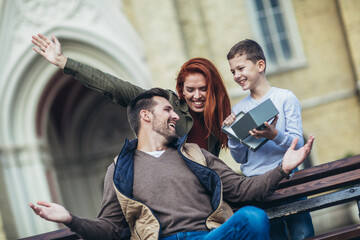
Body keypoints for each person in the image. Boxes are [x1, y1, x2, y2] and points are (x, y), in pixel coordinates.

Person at [29, 88, 315, 240]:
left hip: (209, 237)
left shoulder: (195, 154)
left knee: (253, 217)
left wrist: (283, 168)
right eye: (167, 109)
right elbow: (111, 230)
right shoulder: (120, 169)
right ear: (146, 116)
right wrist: (70, 219)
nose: (176, 116)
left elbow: (243, 191)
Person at [31, 33, 231, 157]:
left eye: (203, 89)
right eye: (190, 90)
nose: (197, 96)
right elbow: (114, 87)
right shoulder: (167, 104)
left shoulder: (218, 118)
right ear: (181, 90)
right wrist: (65, 63)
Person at [223, 39, 314, 240]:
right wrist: (233, 136)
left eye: (240, 68)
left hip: (288, 179)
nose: (236, 76)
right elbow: (240, 159)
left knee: (302, 234)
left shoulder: (285, 98)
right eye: (233, 72)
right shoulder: (237, 110)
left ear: (260, 65)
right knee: (274, 236)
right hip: (256, 185)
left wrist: (274, 135)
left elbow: (298, 144)